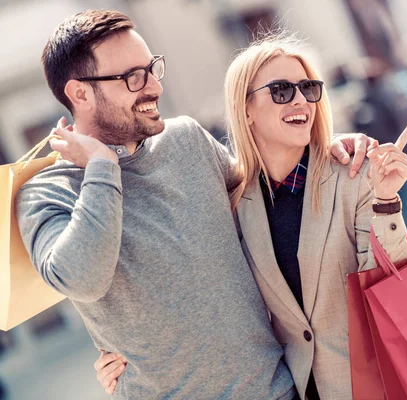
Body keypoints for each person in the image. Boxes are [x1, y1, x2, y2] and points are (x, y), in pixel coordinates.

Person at [16, 10, 372, 400]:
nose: (154, 87)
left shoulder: (186, 139)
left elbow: (268, 197)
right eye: (133, 77)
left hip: (277, 391)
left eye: (152, 69)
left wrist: (327, 151)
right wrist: (103, 167)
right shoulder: (47, 192)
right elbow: (80, 278)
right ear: (79, 94)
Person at [95, 35, 407, 399]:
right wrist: (127, 356)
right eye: (281, 90)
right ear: (245, 109)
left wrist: (387, 199)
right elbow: (191, 282)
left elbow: (390, 280)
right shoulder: (233, 201)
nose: (299, 100)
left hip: (374, 384)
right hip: (293, 388)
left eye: (308, 89)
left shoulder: (352, 177)